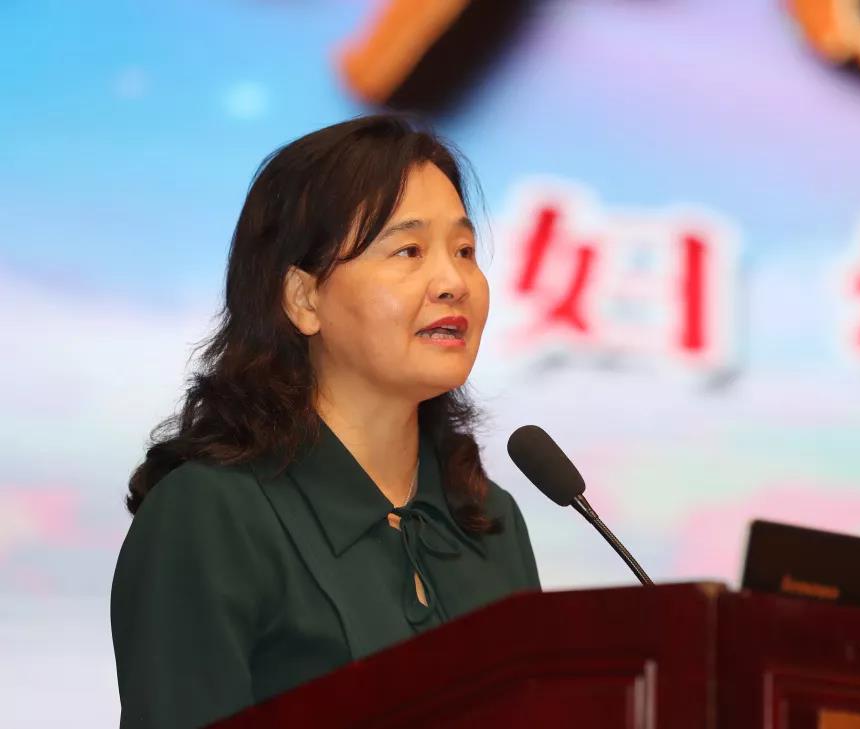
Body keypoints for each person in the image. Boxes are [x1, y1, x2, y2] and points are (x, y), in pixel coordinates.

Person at [110, 115, 542, 729]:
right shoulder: (211, 516)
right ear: (303, 298)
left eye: (465, 252)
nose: (454, 282)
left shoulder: (487, 518)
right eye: (409, 251)